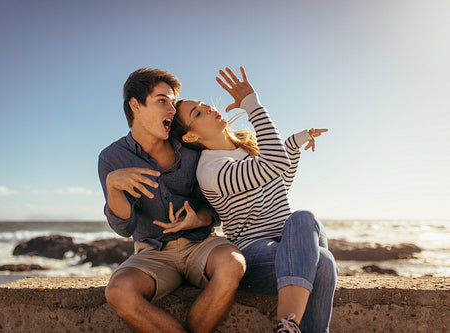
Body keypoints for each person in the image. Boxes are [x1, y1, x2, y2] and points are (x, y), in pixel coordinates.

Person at [170, 66, 337, 333]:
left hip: (289, 241)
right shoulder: (211, 171)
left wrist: (294, 144)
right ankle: (287, 326)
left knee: (308, 229)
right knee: (322, 259)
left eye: (203, 104)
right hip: (255, 255)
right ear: (191, 136)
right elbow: (274, 163)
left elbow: (279, 184)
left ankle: (289, 328)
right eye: (198, 113)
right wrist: (252, 104)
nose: (209, 108)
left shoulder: (249, 149)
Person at [98, 68, 246, 333]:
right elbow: (123, 228)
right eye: (162, 101)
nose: (171, 110)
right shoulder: (111, 158)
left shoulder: (190, 148)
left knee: (234, 263)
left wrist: (196, 219)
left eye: (173, 104)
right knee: (119, 291)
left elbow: (213, 206)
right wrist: (113, 187)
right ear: (135, 105)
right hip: (152, 254)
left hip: (201, 245)